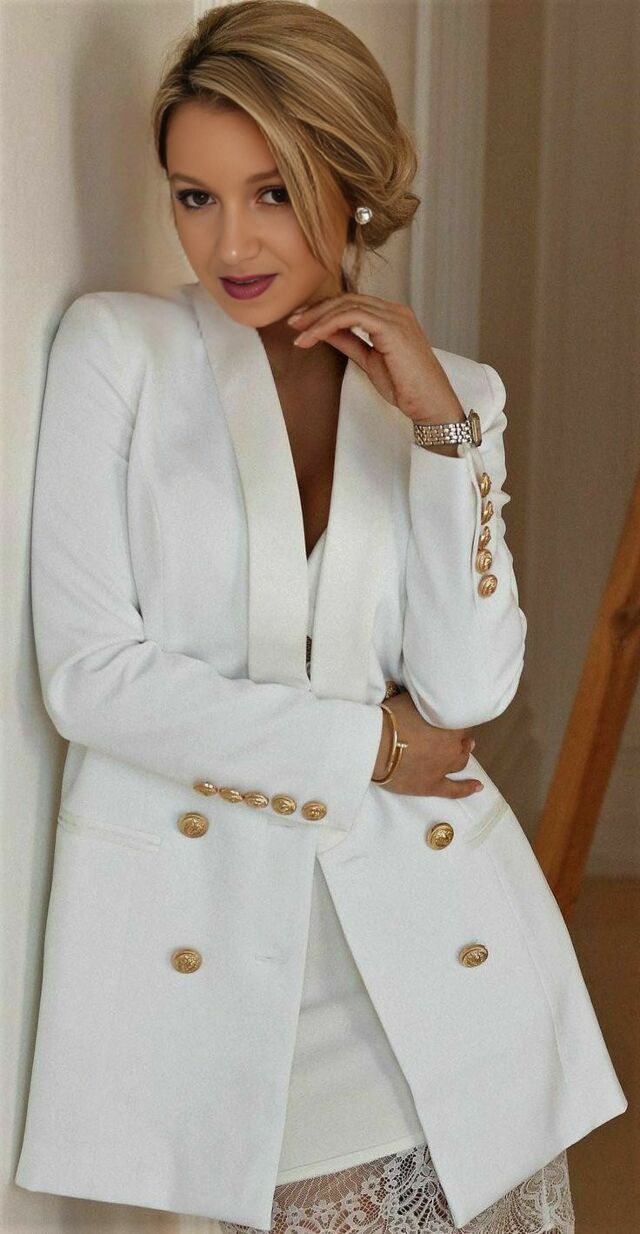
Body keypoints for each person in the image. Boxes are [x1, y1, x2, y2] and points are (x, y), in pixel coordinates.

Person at [15, 3, 626, 1232]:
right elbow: (92, 677)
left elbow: (467, 690)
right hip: (223, 941)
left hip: (437, 936)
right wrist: (369, 746)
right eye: (195, 196)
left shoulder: (458, 393)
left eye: (274, 194)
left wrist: (442, 432)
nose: (230, 242)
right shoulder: (120, 351)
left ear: (350, 185)